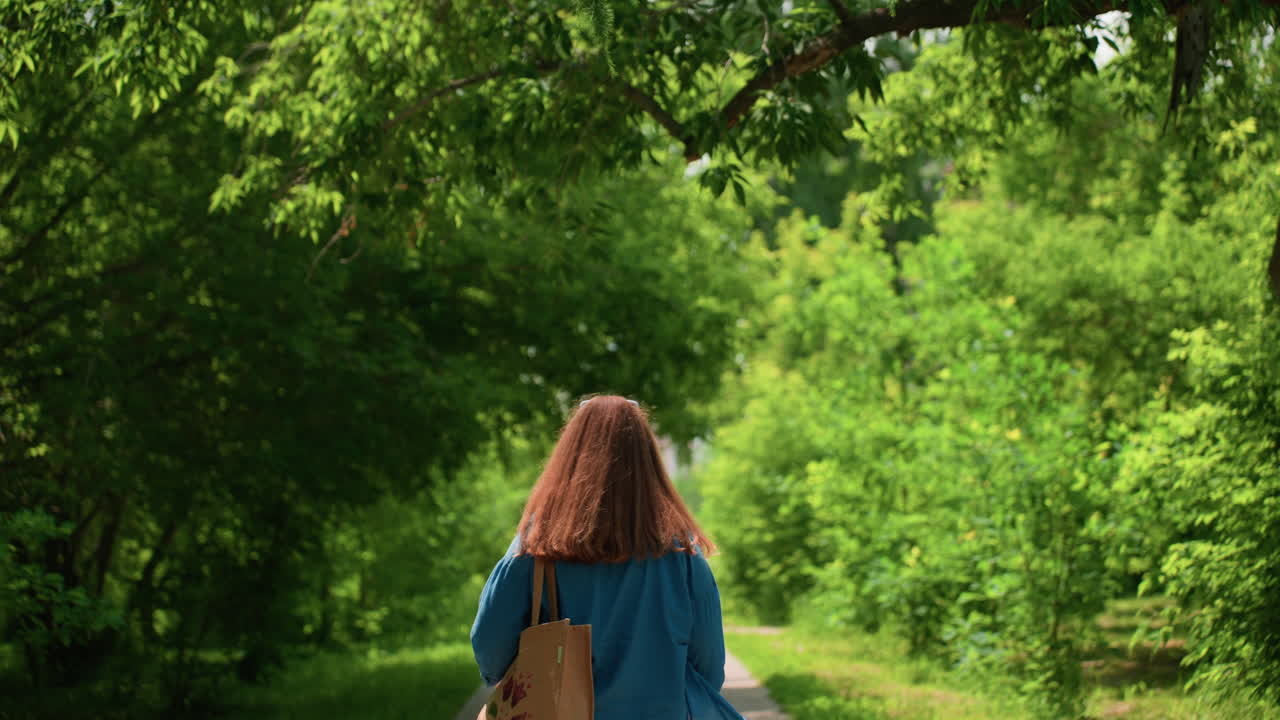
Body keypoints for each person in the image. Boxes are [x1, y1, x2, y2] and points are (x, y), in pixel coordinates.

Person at [471, 395, 744, 720]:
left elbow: (491, 649)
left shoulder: (536, 549)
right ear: (647, 461)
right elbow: (709, 667)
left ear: (570, 457)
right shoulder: (682, 554)